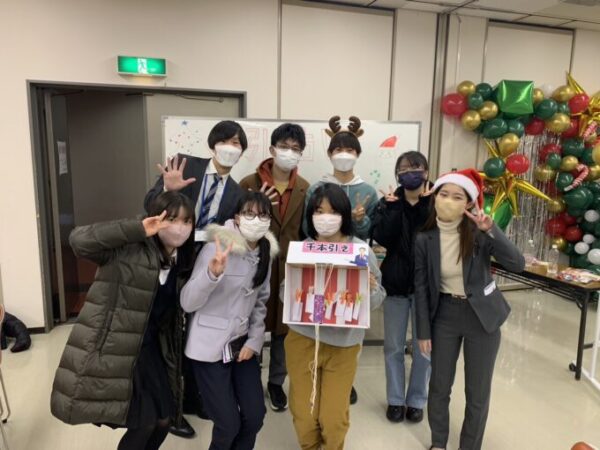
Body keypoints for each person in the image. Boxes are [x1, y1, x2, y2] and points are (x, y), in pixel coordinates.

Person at [51, 191, 196, 450]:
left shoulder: (182, 262)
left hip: (152, 349)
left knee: (164, 421)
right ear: (157, 218)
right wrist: (136, 228)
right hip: (117, 347)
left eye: (187, 221)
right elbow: (79, 241)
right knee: (145, 424)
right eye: (172, 219)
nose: (179, 227)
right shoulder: (129, 248)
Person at [145, 120, 247, 438]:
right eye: (226, 141)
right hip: (169, 262)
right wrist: (168, 190)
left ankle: (192, 398)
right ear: (213, 144)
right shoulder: (186, 166)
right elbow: (149, 207)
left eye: (237, 144)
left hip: (204, 270)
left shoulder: (237, 192)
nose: (231, 148)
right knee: (169, 337)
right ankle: (172, 410)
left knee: (192, 336)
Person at [414, 169, 525, 450]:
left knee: (477, 392)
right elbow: (421, 287)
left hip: (482, 317)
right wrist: (423, 331)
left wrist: (491, 230)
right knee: (439, 386)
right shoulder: (424, 238)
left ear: (468, 203)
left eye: (457, 197)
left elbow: (517, 263)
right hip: (444, 315)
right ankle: (439, 442)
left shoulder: (479, 232)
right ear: (434, 197)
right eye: (444, 194)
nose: (449, 201)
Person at [285, 183, 386, 450]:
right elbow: (285, 294)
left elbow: (378, 297)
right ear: (310, 215)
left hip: (344, 345)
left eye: (333, 211)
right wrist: (294, 286)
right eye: (319, 211)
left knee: (333, 416)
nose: (325, 217)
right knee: (303, 411)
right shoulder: (303, 248)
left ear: (344, 214)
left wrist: (370, 288)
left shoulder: (360, 251)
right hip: (303, 339)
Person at [181, 191, 278, 450]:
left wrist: (255, 341)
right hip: (208, 348)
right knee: (228, 424)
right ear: (236, 217)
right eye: (249, 213)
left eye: (263, 215)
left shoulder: (265, 252)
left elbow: (260, 302)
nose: (256, 220)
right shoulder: (216, 247)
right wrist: (211, 275)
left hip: (241, 346)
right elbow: (187, 302)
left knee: (255, 417)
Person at [302, 115, 378, 404]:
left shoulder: (368, 191)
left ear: (358, 154)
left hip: (352, 261)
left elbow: (371, 233)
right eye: (337, 150)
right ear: (329, 153)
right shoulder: (316, 188)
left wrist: (359, 220)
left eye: (349, 150)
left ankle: (346, 378)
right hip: (321, 258)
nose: (343, 155)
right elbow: (307, 228)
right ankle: (317, 370)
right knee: (319, 310)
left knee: (348, 314)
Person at [239, 123, 309, 412]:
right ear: (272, 149)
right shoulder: (249, 183)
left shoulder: (304, 187)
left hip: (289, 269)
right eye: (284, 147)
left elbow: (306, 231)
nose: (289, 153)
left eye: (295, 149)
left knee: (284, 329)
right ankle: (250, 379)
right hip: (254, 264)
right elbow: (236, 222)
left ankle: (276, 382)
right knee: (250, 322)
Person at [371, 151, 432, 424]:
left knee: (424, 348)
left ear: (426, 172)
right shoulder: (388, 202)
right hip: (395, 284)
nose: (411, 172)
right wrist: (394, 209)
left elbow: (435, 236)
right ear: (397, 174)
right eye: (405, 168)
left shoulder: (436, 202)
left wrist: (425, 205)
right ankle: (395, 400)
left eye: (416, 167)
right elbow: (382, 237)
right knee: (393, 347)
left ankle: (417, 401)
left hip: (425, 287)